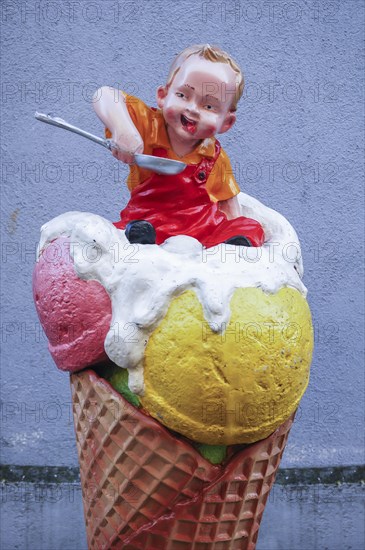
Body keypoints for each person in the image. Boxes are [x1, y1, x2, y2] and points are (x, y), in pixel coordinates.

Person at [93, 44, 265, 248]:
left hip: (202, 229)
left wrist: (234, 225)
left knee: (250, 227)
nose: (192, 109)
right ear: (163, 96)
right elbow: (104, 95)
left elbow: (227, 203)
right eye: (183, 95)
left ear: (226, 123)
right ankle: (141, 241)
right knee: (136, 230)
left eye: (208, 106)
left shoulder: (214, 156)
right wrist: (123, 129)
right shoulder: (149, 127)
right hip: (149, 220)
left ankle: (233, 248)